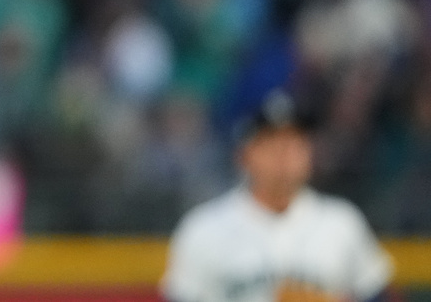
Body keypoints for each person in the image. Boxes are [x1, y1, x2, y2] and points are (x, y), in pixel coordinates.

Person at [161, 89, 393, 302]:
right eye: (271, 143)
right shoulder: (204, 228)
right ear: (243, 155)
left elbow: (376, 295)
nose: (284, 154)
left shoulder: (342, 222)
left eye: (294, 142)